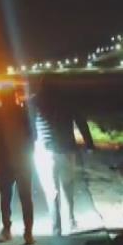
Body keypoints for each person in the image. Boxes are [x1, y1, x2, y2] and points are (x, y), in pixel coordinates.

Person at [34, 89, 94, 236]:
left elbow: (28, 127)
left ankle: (56, 228)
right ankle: (71, 221)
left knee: (51, 191)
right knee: (68, 186)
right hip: (67, 149)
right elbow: (81, 121)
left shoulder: (34, 102)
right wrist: (89, 144)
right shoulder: (67, 100)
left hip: (44, 150)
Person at [0, 87, 36, 245]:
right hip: (22, 162)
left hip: (4, 163)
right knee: (26, 198)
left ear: (1, 98)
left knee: (6, 197)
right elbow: (32, 136)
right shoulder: (23, 113)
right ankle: (28, 233)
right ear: (15, 97)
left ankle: (7, 229)